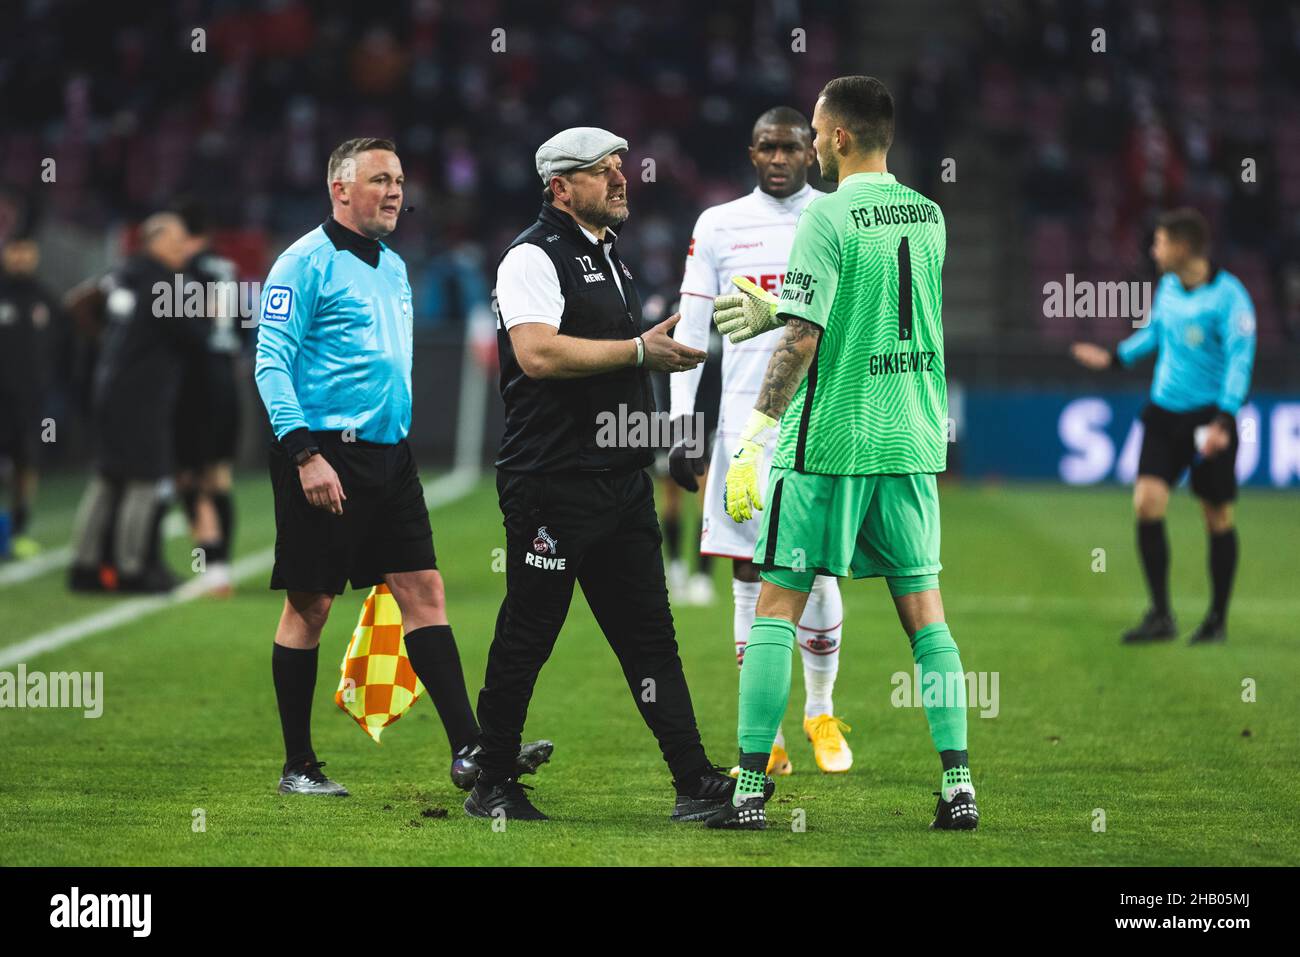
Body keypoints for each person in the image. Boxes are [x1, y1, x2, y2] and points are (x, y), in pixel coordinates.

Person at [704, 77, 978, 831]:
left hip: (830, 441)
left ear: (842, 138)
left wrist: (754, 439)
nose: (814, 146)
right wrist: (777, 304)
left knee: (774, 607)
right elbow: (878, 307)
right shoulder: (929, 215)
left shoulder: (825, 214)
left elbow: (806, 337)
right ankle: (959, 787)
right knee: (927, 619)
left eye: (818, 134)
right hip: (913, 439)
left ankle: (751, 791)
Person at [468, 126, 759, 822]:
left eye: (621, 168)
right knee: (530, 631)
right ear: (560, 187)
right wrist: (637, 349)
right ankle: (492, 780)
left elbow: (621, 366)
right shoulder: (532, 257)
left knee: (650, 637)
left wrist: (663, 434)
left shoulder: (608, 256)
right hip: (553, 483)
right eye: (603, 172)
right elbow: (537, 354)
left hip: (620, 481)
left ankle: (693, 782)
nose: (622, 179)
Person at [254, 137, 550, 797]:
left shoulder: (391, 264)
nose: (396, 192)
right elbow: (271, 362)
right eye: (381, 180)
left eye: (398, 180)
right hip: (324, 454)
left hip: (392, 456)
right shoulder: (302, 263)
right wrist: (305, 454)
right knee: (313, 603)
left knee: (424, 592)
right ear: (340, 188)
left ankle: (470, 748)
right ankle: (298, 764)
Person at [670, 106, 851, 777]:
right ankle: (765, 730)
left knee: (816, 567)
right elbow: (693, 333)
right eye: (767, 148)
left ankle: (820, 708)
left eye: (790, 147)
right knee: (749, 570)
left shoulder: (837, 217)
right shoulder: (718, 225)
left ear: (812, 150)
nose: (778, 158)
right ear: (752, 152)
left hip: (821, 425)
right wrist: (682, 427)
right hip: (743, 429)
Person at [1071, 208, 1256, 644]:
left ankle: (1216, 620)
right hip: (1164, 411)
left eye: (1160, 242)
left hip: (1209, 417)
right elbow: (1154, 334)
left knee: (1216, 514)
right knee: (1146, 503)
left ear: (1184, 247)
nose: (1153, 250)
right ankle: (1161, 615)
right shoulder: (1170, 287)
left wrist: (1225, 420)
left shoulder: (1231, 298)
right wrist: (1115, 357)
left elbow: (1239, 361)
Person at [68, 213, 208, 593]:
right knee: (144, 481)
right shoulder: (164, 283)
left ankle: (84, 566)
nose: (183, 248)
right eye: (176, 241)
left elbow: (77, 304)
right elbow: (197, 337)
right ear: (155, 241)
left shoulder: (123, 272)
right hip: (142, 396)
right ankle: (131, 569)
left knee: (108, 479)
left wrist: (111, 344)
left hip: (108, 387)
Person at [171, 201, 243, 596]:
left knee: (189, 476)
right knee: (218, 474)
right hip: (225, 378)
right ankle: (220, 564)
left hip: (193, 380)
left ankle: (211, 563)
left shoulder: (182, 273)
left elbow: (180, 333)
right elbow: (246, 327)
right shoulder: (227, 269)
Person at [0, 237, 64, 560]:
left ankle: (20, 531)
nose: (20, 258)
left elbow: (63, 350)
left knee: (27, 467)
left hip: (33, 404)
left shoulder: (47, 300)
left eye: (26, 251)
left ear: (35, 255)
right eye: (15, 251)